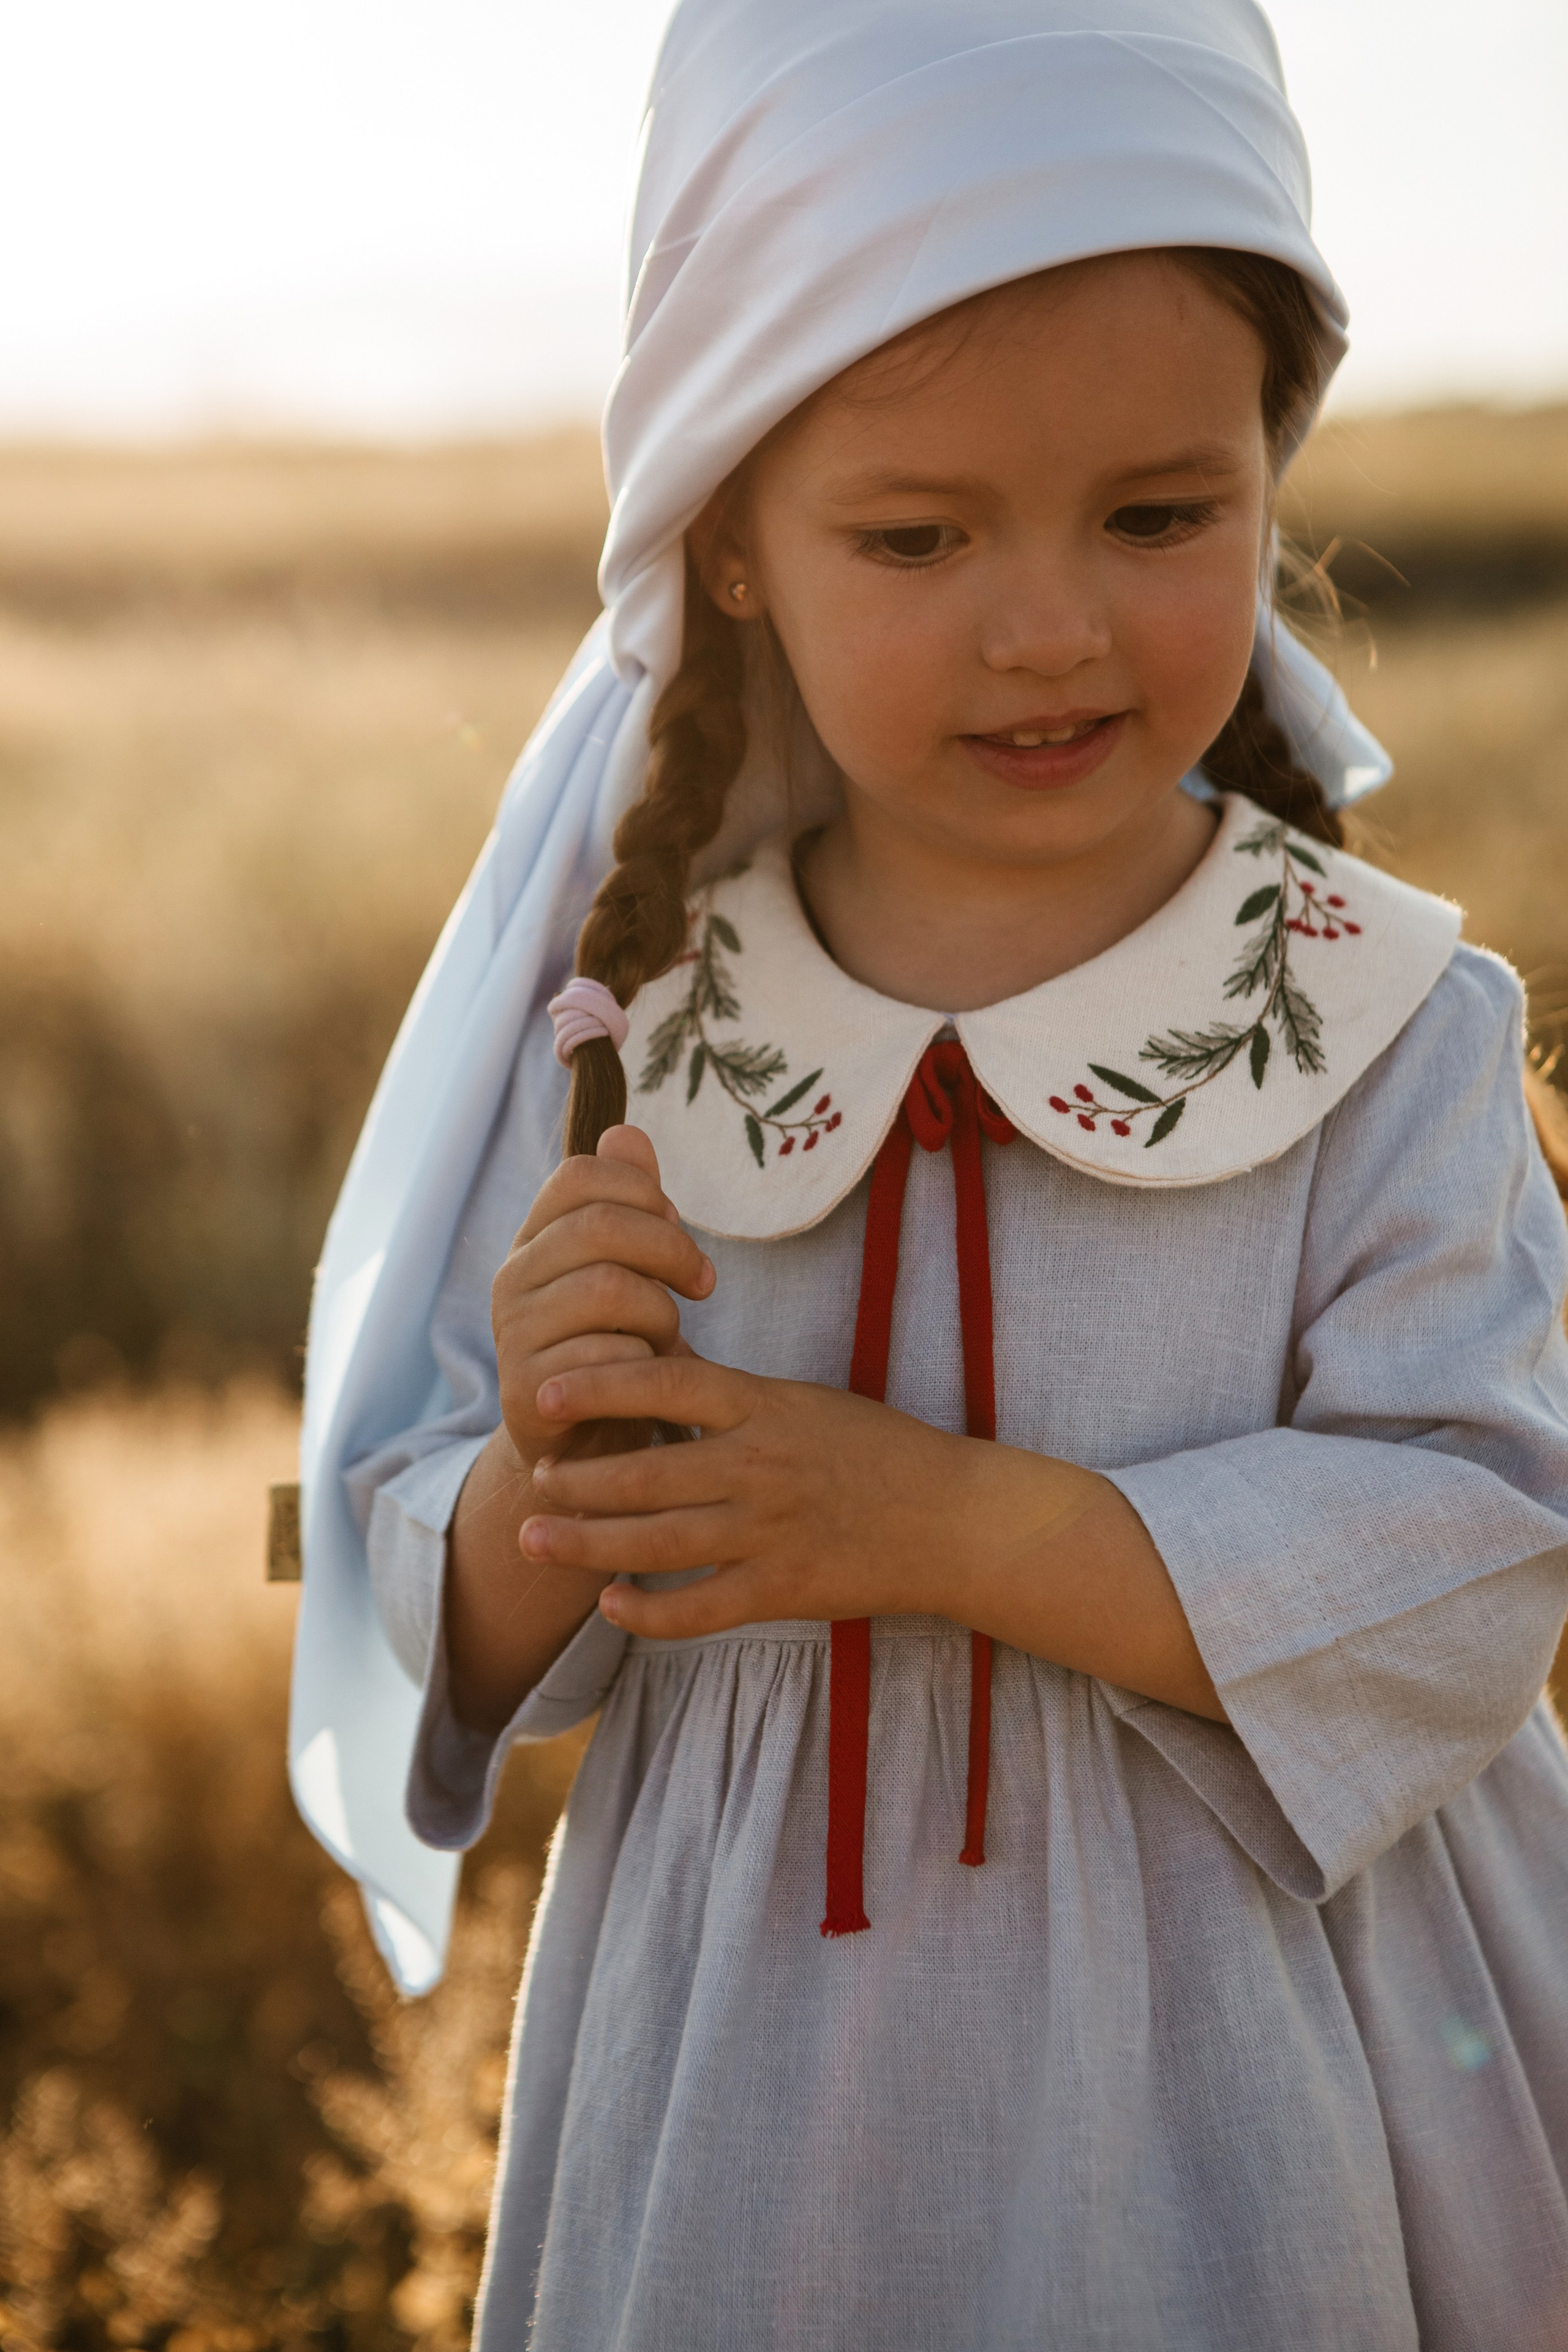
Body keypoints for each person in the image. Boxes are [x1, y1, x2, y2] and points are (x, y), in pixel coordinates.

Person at [288, 2, 1568, 2343]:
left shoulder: (1391, 1023)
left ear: (1275, 480)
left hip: (1279, 2077)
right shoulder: (641, 1031)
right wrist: (535, 1493)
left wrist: (937, 1524)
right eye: (916, 532)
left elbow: (1475, 1559)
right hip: (751, 2102)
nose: (1055, 625)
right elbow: (454, 1617)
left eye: (1163, 515)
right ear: (736, 545)